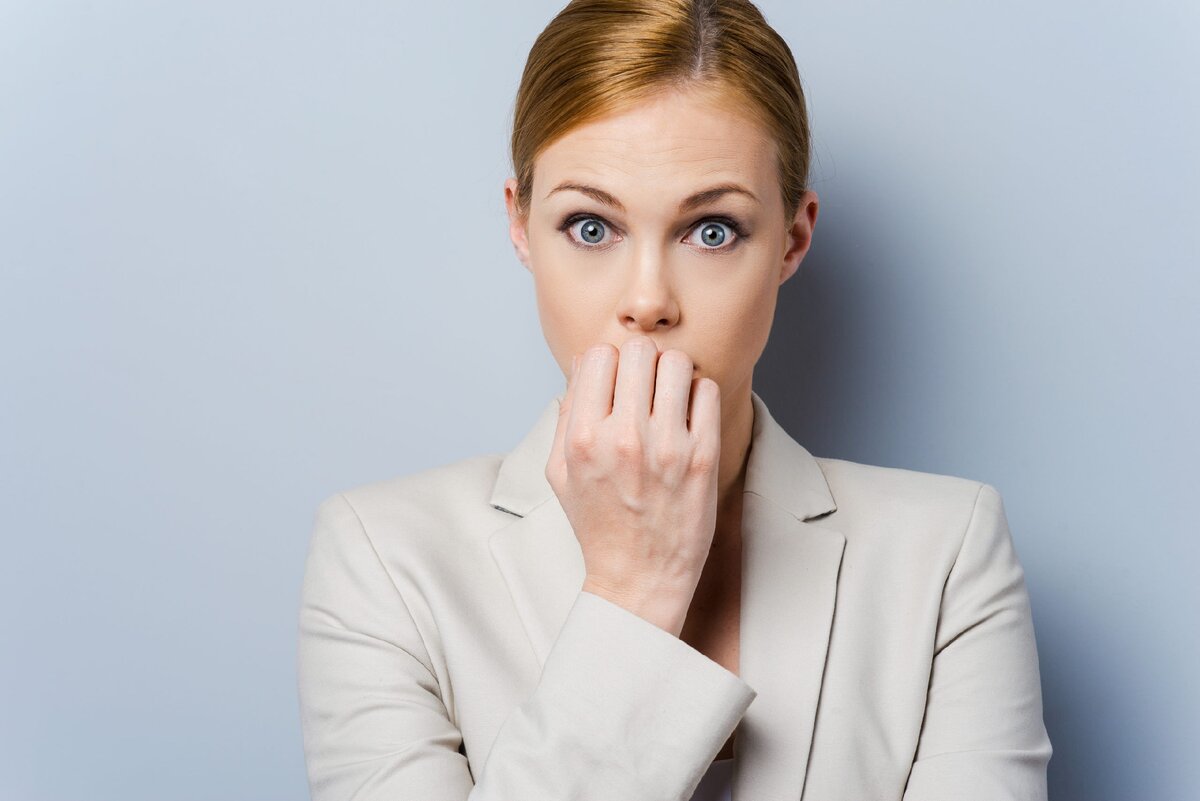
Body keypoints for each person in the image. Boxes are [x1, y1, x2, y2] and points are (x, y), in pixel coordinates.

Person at [295, 1, 1053, 799]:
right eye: (591, 227)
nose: (648, 300)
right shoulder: (382, 560)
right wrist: (632, 592)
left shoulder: (945, 554)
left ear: (792, 239)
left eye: (712, 230)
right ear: (520, 226)